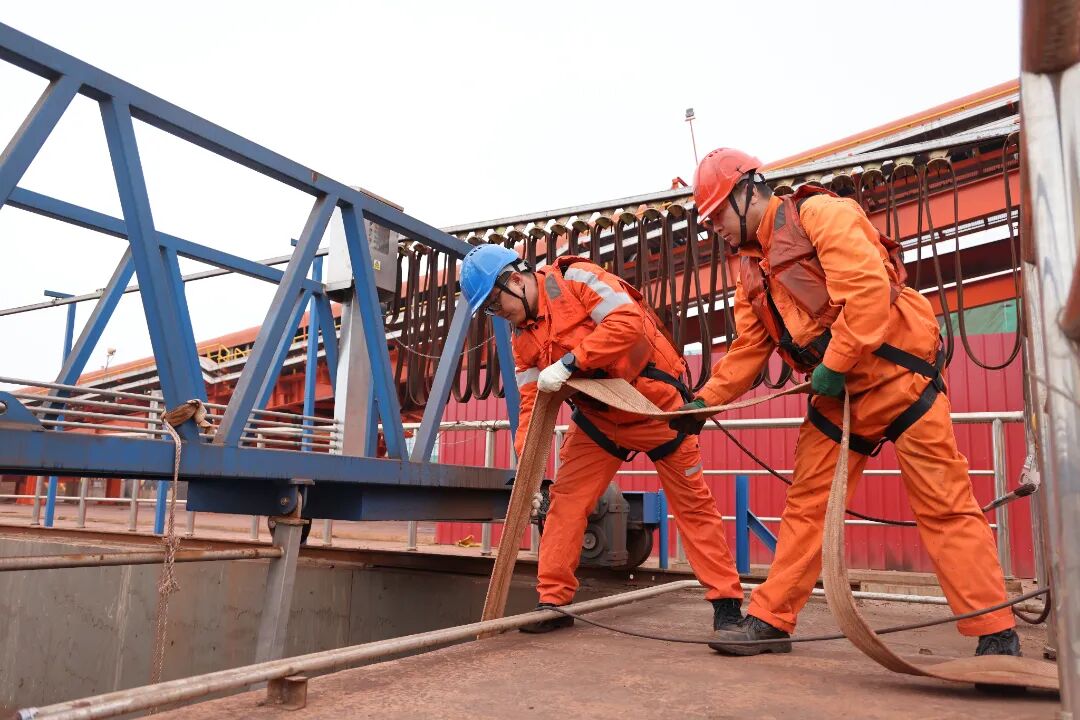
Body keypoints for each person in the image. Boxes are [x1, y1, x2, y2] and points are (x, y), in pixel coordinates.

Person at [669, 148, 1019, 657]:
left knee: (945, 505)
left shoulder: (821, 215)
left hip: (900, 378)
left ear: (747, 192)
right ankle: (770, 621)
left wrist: (833, 365)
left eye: (717, 213)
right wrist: (702, 404)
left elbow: (868, 293)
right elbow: (748, 350)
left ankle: (997, 632)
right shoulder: (750, 269)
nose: (714, 228)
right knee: (807, 505)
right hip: (840, 396)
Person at [460, 244, 744, 633]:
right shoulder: (522, 340)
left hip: (657, 410)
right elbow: (531, 408)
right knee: (565, 502)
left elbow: (627, 322)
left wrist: (570, 362)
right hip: (600, 421)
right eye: (490, 310)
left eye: (496, 303)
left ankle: (727, 605)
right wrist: (530, 474)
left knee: (694, 508)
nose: (499, 313)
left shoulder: (577, 280)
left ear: (515, 280)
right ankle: (553, 604)